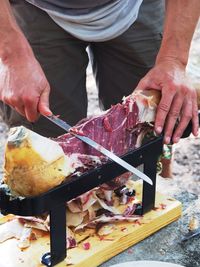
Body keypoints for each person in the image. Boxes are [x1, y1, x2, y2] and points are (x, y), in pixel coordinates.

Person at [0, 0, 199, 145]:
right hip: (35, 8)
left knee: (145, 132)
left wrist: (173, 60)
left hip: (135, 6)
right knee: (46, 148)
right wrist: (13, 55)